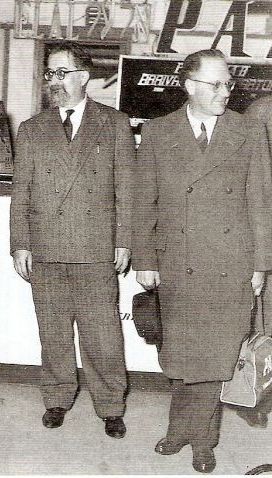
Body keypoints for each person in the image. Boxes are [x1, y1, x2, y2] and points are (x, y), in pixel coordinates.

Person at [132, 49, 272, 473]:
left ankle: (201, 441)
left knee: (214, 359)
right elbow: (145, 202)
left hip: (231, 263)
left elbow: (261, 200)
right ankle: (180, 428)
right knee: (179, 357)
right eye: (216, 84)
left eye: (228, 83)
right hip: (177, 262)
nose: (225, 92)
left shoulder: (248, 130)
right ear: (189, 86)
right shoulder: (158, 132)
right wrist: (144, 258)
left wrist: (261, 264)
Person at [10, 41, 135, 438]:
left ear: (84, 76)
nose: (54, 81)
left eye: (61, 73)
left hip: (96, 248)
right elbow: (21, 193)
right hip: (46, 248)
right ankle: (57, 398)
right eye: (50, 73)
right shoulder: (31, 129)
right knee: (54, 333)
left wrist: (124, 239)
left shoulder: (114, 123)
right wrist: (20, 243)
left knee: (103, 336)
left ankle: (111, 405)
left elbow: (126, 189)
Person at [236, 94, 272, 429]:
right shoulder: (263, 111)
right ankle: (257, 398)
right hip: (267, 234)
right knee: (264, 326)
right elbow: (251, 181)